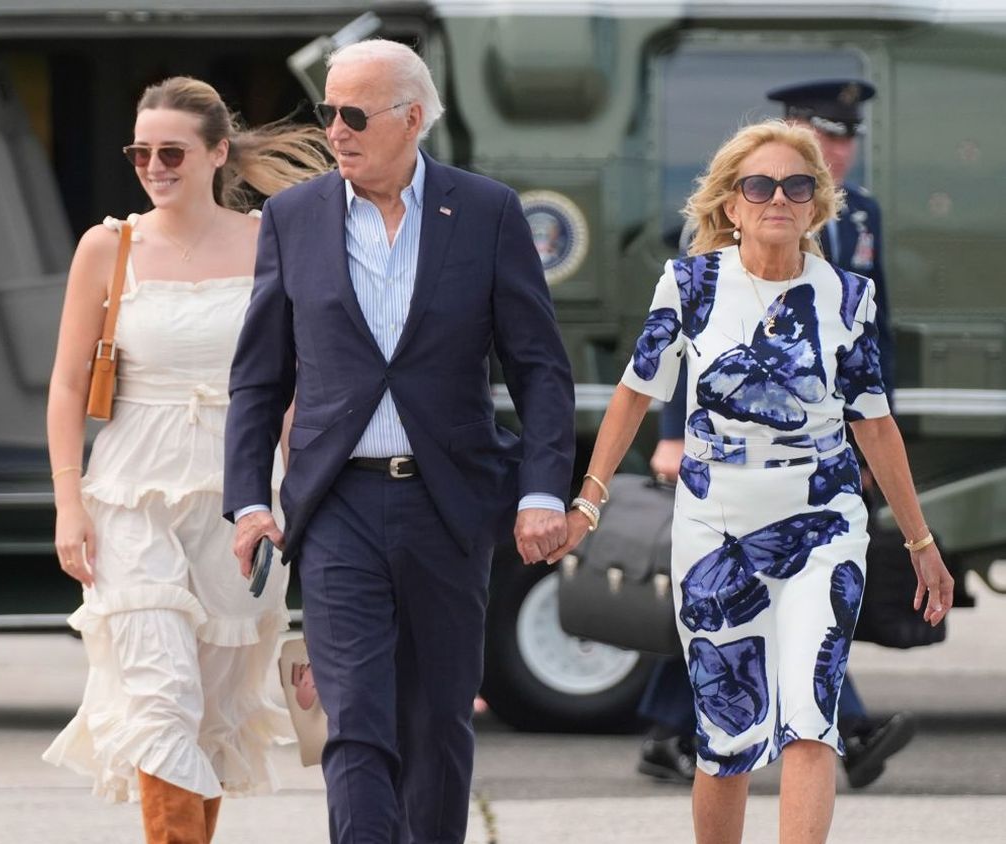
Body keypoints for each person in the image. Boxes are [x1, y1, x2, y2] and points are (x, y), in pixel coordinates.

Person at [554, 119, 952, 843]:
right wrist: (589, 497)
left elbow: (875, 423)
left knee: (810, 717)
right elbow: (635, 392)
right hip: (716, 525)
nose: (778, 198)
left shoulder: (846, 297)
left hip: (824, 523)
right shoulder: (691, 283)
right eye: (759, 185)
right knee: (728, 734)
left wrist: (920, 540)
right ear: (731, 205)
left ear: (815, 204)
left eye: (796, 186)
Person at [224, 39, 576, 843]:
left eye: (354, 114)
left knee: (438, 723)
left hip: (449, 504)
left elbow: (540, 369)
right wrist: (248, 499)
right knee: (353, 721)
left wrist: (542, 489)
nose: (335, 131)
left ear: (412, 119)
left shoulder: (486, 212)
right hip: (336, 504)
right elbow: (259, 379)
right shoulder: (293, 217)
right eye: (327, 112)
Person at [42, 76, 330, 841]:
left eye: (172, 150)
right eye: (141, 150)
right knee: (158, 694)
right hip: (132, 491)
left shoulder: (269, 237)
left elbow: (294, 384)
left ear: (217, 154)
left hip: (240, 493)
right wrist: (69, 502)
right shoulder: (109, 245)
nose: (153, 165)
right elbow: (68, 385)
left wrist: (303, 495)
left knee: (206, 705)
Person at [637, 79, 912, 790]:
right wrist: (673, 433)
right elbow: (693, 344)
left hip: (822, 458)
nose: (841, 150)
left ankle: (793, 725)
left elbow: (869, 344)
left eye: (848, 139)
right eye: (828, 135)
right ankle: (689, 728)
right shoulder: (737, 226)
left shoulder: (864, 219)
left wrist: (875, 439)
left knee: (800, 609)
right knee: (730, 598)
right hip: (728, 458)